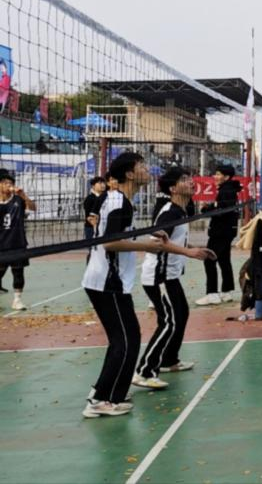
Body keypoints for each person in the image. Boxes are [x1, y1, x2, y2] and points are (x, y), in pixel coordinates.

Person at [82, 153, 202, 418]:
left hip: (111, 281)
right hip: (107, 281)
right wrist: (146, 245)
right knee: (125, 341)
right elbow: (110, 242)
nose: (148, 170)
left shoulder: (121, 200)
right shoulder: (118, 202)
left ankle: (106, 392)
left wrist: (145, 234)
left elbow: (115, 232)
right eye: (142, 166)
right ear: (129, 174)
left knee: (126, 340)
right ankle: (102, 399)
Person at [133, 168, 215, 390]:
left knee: (182, 313)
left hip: (170, 275)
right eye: (184, 180)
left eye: (190, 178)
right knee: (169, 321)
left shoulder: (181, 210)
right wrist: (189, 252)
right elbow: (157, 241)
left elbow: (173, 240)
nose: (191, 182)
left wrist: (194, 248)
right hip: (158, 275)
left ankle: (169, 360)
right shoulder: (169, 212)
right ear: (173, 188)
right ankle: (144, 372)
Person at [197, 164, 242, 306]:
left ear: (226, 177)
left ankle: (212, 294)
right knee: (224, 260)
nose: (215, 177)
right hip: (227, 230)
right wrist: (212, 206)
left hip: (221, 231)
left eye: (218, 174)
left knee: (209, 260)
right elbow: (222, 207)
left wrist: (206, 208)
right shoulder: (229, 189)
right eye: (215, 174)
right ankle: (226, 291)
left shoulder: (226, 190)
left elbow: (222, 211)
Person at [0, 169, 36, 308]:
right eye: (5, 182)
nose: (8, 185)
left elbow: (33, 208)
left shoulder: (18, 200)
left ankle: (17, 300)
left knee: (18, 272)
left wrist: (23, 195)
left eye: (10, 183)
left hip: (17, 243)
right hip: (1, 245)